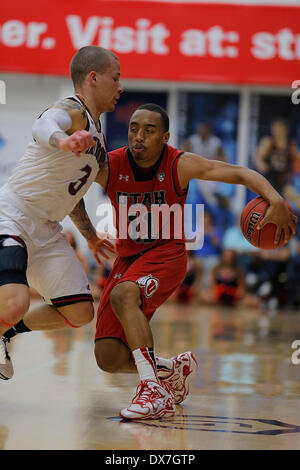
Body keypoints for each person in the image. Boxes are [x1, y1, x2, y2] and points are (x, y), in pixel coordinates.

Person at [78, 103, 295, 420]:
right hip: (128, 259)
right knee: (108, 357)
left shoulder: (179, 164)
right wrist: (89, 235)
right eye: (134, 128)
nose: (139, 136)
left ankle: (153, 392)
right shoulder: (111, 166)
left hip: (167, 254)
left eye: (149, 130)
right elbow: (72, 190)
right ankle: (172, 368)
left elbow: (239, 173)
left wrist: (275, 198)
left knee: (125, 294)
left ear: (165, 137)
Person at [0, 46, 122, 380]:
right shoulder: (74, 110)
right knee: (14, 302)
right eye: (116, 77)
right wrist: (61, 140)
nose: (120, 87)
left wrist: (91, 237)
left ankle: (5, 334)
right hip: (12, 214)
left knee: (81, 311)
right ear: (93, 78)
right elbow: (46, 122)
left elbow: (74, 197)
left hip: (48, 228)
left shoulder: (97, 136)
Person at [254, 118, 300, 195]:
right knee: (272, 198)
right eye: (275, 128)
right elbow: (258, 158)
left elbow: (297, 158)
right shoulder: (268, 142)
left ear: (285, 130)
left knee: (290, 193)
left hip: (285, 176)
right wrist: (261, 164)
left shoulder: (290, 144)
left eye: (279, 128)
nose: (276, 131)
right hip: (270, 177)